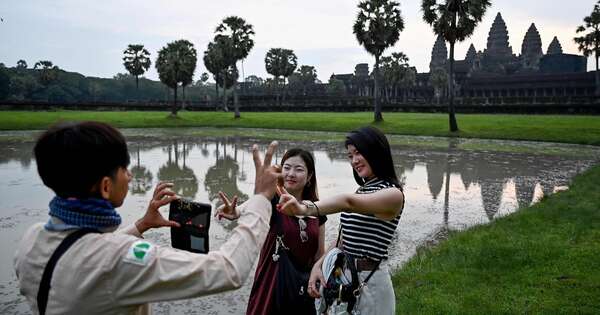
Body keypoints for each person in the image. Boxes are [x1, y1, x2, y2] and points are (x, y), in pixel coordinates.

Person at [13, 121, 282, 315]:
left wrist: (142, 225)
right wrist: (260, 198)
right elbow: (227, 271)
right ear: (106, 186)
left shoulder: (32, 238)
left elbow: (80, 256)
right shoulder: (120, 257)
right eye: (124, 169)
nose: (130, 176)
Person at [278, 126, 405, 315]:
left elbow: (348, 202)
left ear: (376, 151)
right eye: (350, 155)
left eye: (358, 153)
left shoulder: (393, 194)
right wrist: (318, 265)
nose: (354, 160)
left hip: (370, 284)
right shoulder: (363, 190)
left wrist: (305, 209)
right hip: (344, 275)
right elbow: (342, 241)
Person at [216, 148, 326, 315]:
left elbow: (319, 255)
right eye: (286, 167)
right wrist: (235, 212)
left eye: (299, 169)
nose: (291, 173)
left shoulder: (317, 209)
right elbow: (250, 205)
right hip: (271, 286)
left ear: (309, 176)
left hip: (303, 290)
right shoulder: (272, 200)